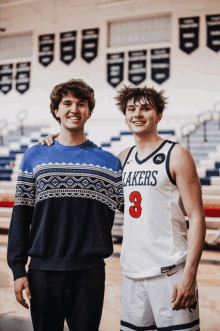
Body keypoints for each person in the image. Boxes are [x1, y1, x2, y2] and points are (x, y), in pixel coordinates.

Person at [40, 85, 206, 331]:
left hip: (170, 273)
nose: (137, 114)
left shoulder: (177, 155)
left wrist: (189, 275)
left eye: (146, 108)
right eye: (131, 109)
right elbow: (85, 154)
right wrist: (56, 139)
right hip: (132, 274)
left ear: (158, 115)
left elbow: (196, 215)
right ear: (126, 117)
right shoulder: (119, 159)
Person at [7, 79, 123, 331]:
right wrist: (18, 269)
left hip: (89, 273)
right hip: (42, 272)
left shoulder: (109, 163)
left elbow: (134, 209)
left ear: (89, 112)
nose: (74, 109)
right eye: (67, 103)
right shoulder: (35, 156)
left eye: (81, 104)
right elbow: (21, 214)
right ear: (56, 110)